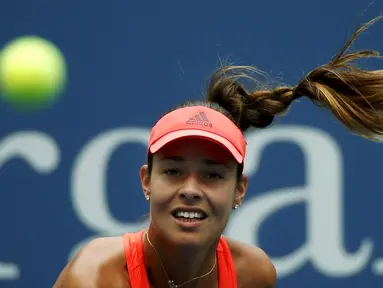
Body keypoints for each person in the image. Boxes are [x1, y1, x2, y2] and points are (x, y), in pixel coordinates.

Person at [54, 17, 383, 288]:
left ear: (240, 190)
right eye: (173, 171)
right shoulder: (95, 277)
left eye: (212, 174)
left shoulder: (253, 275)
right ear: (146, 181)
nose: (191, 190)